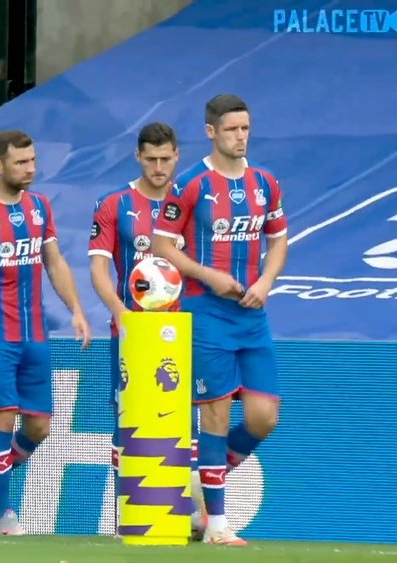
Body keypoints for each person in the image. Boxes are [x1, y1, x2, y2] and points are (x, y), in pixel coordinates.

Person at [152, 94, 288, 546]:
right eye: (232, 129)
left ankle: (203, 482)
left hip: (252, 314)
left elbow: (278, 241)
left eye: (245, 128)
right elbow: (163, 246)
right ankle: (217, 523)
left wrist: (266, 282)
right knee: (214, 412)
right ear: (211, 132)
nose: (241, 136)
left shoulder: (265, 182)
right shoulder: (189, 184)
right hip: (206, 311)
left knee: (264, 416)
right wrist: (208, 275)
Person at [0, 130, 91, 535]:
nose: (30, 169)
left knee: (39, 427)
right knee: (3, 417)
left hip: (35, 334)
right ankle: (6, 514)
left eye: (32, 161)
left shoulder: (40, 207)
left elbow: (55, 263)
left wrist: (76, 309)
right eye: (21, 162)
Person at [87, 123, 207, 538]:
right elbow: (99, 268)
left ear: (177, 156)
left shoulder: (193, 202)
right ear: (138, 157)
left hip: (182, 328)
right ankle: (129, 515)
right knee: (128, 420)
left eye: (166, 158)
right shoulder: (114, 204)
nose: (158, 167)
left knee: (189, 417)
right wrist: (120, 312)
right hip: (133, 331)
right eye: (151, 159)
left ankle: (188, 510)